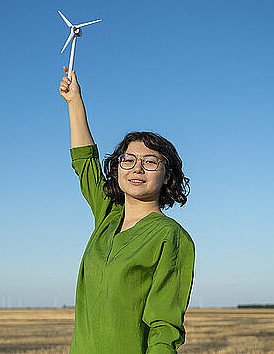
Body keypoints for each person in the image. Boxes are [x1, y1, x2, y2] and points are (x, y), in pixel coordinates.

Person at [59, 66, 195, 354]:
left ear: (168, 175)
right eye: (128, 159)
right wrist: (74, 102)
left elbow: (164, 326)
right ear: (117, 167)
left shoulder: (170, 237)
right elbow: (85, 162)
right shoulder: (107, 217)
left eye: (150, 162)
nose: (137, 168)